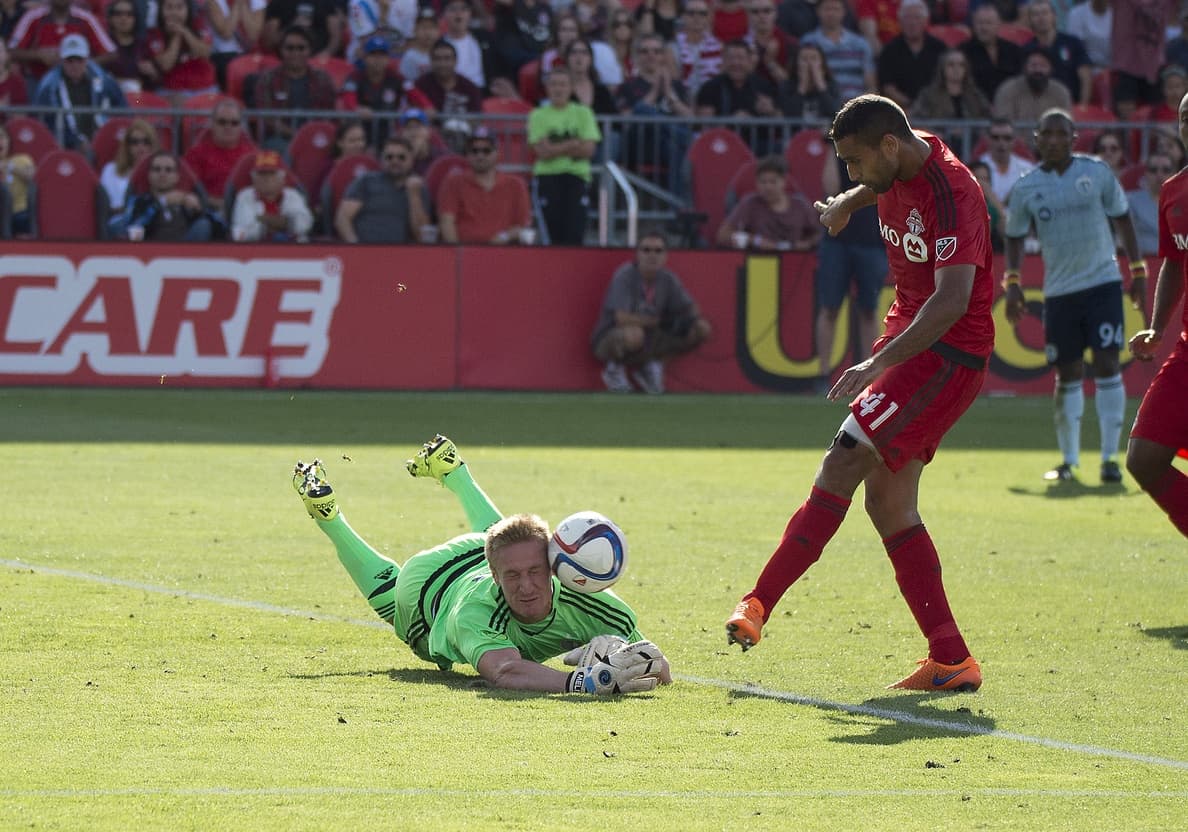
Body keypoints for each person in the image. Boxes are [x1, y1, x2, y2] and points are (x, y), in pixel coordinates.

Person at [724, 94, 992, 693]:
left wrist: (876, 362)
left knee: (844, 455)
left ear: (888, 147)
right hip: (913, 343)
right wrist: (850, 199)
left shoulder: (954, 194)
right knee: (888, 505)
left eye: (854, 163)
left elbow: (950, 303)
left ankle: (758, 602)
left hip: (945, 353)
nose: (850, 172)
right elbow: (881, 184)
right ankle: (951, 658)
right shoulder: (898, 156)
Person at [290, 434, 672, 693]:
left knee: (508, 539)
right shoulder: (476, 611)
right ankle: (328, 516)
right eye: (513, 578)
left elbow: (659, 668)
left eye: (536, 572)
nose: (526, 586)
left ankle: (454, 470)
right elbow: (504, 670)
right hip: (431, 587)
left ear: (554, 567)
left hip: (482, 548)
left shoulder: (601, 608)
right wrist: (583, 682)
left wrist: (621, 655)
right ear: (495, 577)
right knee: (395, 600)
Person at [1003, 109, 1147, 484]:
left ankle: (1109, 460)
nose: (1053, 140)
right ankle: (1069, 461)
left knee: (1106, 365)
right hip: (1060, 292)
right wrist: (1013, 280)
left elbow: (1123, 217)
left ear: (1074, 137)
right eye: (1045, 134)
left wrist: (1139, 271)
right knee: (1066, 372)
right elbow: (1015, 234)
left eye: (1060, 134)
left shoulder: (1096, 172)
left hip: (1102, 284)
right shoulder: (1026, 187)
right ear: (1036, 139)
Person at [1125, 90, 1188, 539]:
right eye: (1185, 116)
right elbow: (1173, 261)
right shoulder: (1173, 191)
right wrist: (1157, 326)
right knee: (1144, 457)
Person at [591, 230, 713, 394]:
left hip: (651, 338)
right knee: (634, 334)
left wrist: (686, 319)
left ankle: (652, 366)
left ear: (665, 256)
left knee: (701, 328)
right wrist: (659, 321)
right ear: (637, 254)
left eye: (658, 251)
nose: (652, 255)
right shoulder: (625, 276)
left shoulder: (668, 279)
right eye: (646, 250)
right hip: (611, 337)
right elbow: (621, 318)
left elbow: (690, 307)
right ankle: (614, 369)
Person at [812, 150, 888, 392]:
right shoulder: (841, 154)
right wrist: (832, 147)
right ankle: (823, 373)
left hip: (871, 240)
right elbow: (830, 187)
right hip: (838, 241)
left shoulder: (879, 155)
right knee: (830, 308)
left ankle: (868, 373)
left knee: (869, 309)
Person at [528, 69, 600, 246]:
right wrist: (573, 144)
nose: (558, 89)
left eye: (562, 84)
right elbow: (541, 153)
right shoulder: (537, 115)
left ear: (571, 87)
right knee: (551, 235)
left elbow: (589, 150)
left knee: (575, 233)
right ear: (546, 88)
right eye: (553, 84)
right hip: (547, 177)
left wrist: (554, 148)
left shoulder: (584, 113)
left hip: (577, 177)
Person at [31, 35, 126, 153]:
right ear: (61, 60)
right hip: (63, 145)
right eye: (70, 61)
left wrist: (108, 134)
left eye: (79, 60)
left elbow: (122, 106)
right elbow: (44, 120)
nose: (75, 65)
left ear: (87, 59)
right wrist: (75, 140)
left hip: (100, 139)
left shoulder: (102, 78)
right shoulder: (49, 85)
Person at [438, 127, 532, 244]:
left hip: (505, 254)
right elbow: (447, 222)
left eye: (486, 150)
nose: (480, 155)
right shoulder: (453, 182)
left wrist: (502, 237)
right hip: (466, 254)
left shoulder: (516, 185)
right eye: (474, 151)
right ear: (467, 154)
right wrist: (456, 253)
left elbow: (523, 226)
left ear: (498, 153)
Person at [253, 25, 338, 151]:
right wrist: (296, 135)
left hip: (316, 137)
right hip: (279, 139)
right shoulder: (268, 79)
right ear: (281, 50)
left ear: (309, 50)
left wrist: (310, 135)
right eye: (290, 48)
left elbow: (330, 114)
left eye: (301, 48)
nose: (295, 53)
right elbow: (267, 118)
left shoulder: (323, 79)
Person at [334, 135, 430, 243]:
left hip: (401, 254)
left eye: (401, 157)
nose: (395, 161)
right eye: (389, 157)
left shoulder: (418, 187)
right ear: (382, 159)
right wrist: (356, 246)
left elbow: (422, 236)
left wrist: (414, 195)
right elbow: (343, 219)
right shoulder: (366, 181)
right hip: (364, 250)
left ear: (411, 159)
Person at [716, 154, 823, 251]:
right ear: (756, 183)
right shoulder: (749, 204)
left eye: (773, 181)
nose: (768, 187)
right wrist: (753, 240)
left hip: (796, 262)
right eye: (763, 182)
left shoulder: (800, 205)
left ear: (784, 182)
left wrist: (807, 243)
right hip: (759, 262)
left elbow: (820, 234)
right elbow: (723, 235)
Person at [112, 150, 214, 241]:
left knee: (203, 224)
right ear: (149, 175)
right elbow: (132, 226)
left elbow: (219, 226)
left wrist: (199, 210)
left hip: (185, 255)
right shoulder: (139, 201)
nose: (162, 174)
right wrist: (162, 202)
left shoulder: (186, 201)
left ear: (177, 177)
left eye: (168, 170)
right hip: (148, 252)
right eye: (157, 169)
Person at [8, 0, 116, 84]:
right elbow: (11, 51)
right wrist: (38, 55)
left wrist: (81, 64)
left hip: (79, 83)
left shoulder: (86, 18)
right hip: (38, 79)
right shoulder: (33, 16)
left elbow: (111, 53)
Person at [909, 48, 992, 158]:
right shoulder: (928, 95)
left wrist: (970, 132)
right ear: (943, 68)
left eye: (961, 65)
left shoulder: (975, 96)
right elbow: (915, 120)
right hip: (938, 149)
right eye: (951, 65)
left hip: (972, 149)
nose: (956, 69)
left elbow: (987, 120)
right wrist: (935, 134)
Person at [183, 97, 255, 216]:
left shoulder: (253, 155)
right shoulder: (195, 154)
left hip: (245, 211)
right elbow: (189, 189)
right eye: (222, 122)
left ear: (241, 126)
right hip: (207, 210)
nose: (228, 127)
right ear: (212, 124)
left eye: (234, 123)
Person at [799, 0, 875, 103]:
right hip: (822, 106)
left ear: (844, 12)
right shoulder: (808, 42)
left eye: (836, 9)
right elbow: (804, 82)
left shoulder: (860, 44)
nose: (831, 13)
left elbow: (871, 86)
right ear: (817, 11)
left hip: (856, 106)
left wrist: (856, 105)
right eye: (827, 9)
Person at [229, 149, 313, 241]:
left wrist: (263, 219)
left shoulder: (292, 195)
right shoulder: (245, 197)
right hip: (256, 250)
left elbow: (305, 224)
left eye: (272, 174)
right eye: (262, 174)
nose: (267, 179)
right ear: (253, 179)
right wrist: (282, 223)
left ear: (282, 179)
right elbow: (240, 234)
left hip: (294, 250)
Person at [875, 0, 946, 109]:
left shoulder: (940, 49)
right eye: (908, 18)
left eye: (917, 18)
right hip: (901, 110)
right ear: (900, 21)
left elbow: (946, 82)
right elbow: (887, 87)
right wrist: (912, 105)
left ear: (925, 21)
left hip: (936, 109)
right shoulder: (889, 50)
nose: (912, 23)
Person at [146, 0, 218, 104]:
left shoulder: (199, 25)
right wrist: (177, 36)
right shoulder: (155, 33)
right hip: (172, 91)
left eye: (179, 7)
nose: (174, 12)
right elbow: (166, 65)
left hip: (206, 88)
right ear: (161, 10)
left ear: (188, 9)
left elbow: (205, 54)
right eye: (169, 7)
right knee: (179, 102)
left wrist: (184, 31)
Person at [992, 46, 1071, 128]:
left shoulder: (1060, 92)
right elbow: (1003, 128)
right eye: (1033, 65)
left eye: (1043, 66)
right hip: (1016, 140)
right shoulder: (1007, 90)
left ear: (1051, 69)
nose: (1038, 70)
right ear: (1024, 68)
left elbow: (1065, 127)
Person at [961, 3, 1024, 102]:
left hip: (1010, 106)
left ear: (999, 25)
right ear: (973, 24)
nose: (984, 28)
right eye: (980, 23)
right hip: (975, 108)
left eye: (989, 23)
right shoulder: (962, 52)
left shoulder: (1013, 50)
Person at [99, 118, 159, 215]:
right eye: (135, 142)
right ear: (127, 145)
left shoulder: (160, 171)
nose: (141, 146)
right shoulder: (110, 170)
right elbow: (105, 205)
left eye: (146, 141)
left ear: (152, 144)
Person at [207, 0, 266, 90]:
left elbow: (253, 35)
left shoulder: (257, 1)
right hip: (223, 56)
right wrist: (237, 5)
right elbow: (226, 33)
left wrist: (242, 5)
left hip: (249, 54)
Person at [777, 41, 841, 124]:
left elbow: (834, 114)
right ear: (796, 64)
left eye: (813, 58)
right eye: (804, 59)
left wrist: (820, 86)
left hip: (824, 136)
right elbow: (789, 116)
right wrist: (802, 87)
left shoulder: (832, 85)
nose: (809, 64)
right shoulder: (786, 86)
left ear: (822, 64)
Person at [673, 0, 723, 101]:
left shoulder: (720, 47)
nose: (697, 17)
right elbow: (675, 83)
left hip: (711, 102)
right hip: (682, 102)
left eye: (702, 14)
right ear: (683, 17)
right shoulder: (672, 47)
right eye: (691, 13)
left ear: (709, 18)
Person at [1127, 152, 1174, 257]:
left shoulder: (1183, 202)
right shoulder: (1130, 200)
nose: (1159, 175)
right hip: (1144, 261)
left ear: (1173, 175)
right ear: (1146, 174)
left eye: (1165, 170)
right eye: (1153, 170)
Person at [104, 0, 157, 94]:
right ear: (110, 18)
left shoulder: (144, 46)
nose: (123, 18)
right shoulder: (103, 43)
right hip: (111, 98)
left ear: (135, 18)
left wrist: (152, 73)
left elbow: (156, 80)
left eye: (129, 14)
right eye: (118, 14)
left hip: (139, 100)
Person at [978, 117, 1034, 203]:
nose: (1001, 143)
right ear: (987, 139)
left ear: (1014, 140)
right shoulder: (976, 170)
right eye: (995, 138)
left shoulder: (1028, 169)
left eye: (1007, 138)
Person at [262, 0, 344, 57]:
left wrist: (326, 54)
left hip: (320, 59)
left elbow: (336, 37)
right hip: (285, 60)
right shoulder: (277, 3)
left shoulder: (326, 3)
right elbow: (269, 43)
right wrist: (292, 27)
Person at [442, 0, 485, 89]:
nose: (458, 13)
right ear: (444, 14)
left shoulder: (483, 38)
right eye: (453, 9)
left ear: (470, 13)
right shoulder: (439, 45)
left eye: (463, 9)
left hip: (481, 91)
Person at [0, 122, 33, 235]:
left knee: (24, 220)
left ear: (9, 140)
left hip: (19, 212)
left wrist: (11, 167)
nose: (0, 141)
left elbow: (32, 177)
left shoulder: (22, 159)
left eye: (2, 137)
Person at [969, 158, 1007, 253]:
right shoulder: (960, 205)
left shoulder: (993, 208)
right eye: (977, 178)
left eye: (985, 179)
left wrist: (993, 198)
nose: (982, 184)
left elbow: (1008, 236)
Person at [399, 7, 439, 81]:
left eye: (432, 27)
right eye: (424, 27)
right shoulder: (409, 57)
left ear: (438, 31)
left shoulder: (443, 54)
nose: (428, 32)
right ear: (415, 30)